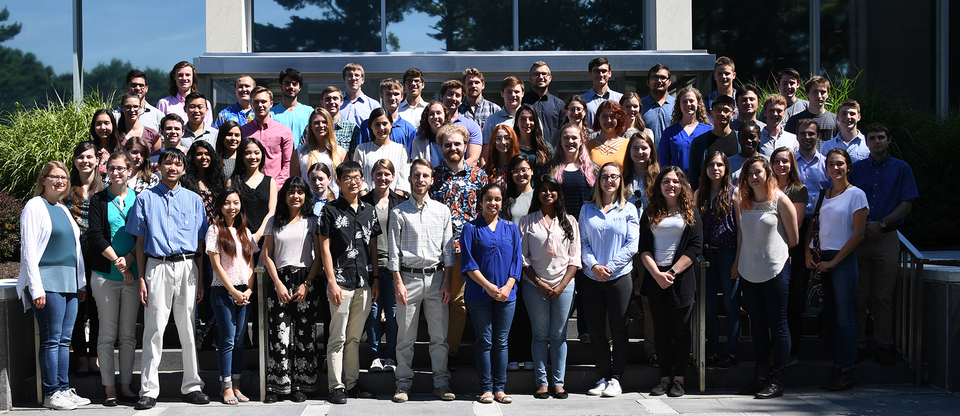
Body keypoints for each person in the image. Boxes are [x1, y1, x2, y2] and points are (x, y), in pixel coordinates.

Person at [126, 148, 210, 410]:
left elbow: (200, 243)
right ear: (158, 167)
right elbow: (139, 243)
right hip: (157, 266)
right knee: (154, 329)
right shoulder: (145, 199)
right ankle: (149, 390)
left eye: (177, 164)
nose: (172, 168)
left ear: (184, 169)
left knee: (188, 328)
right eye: (167, 163)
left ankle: (192, 385)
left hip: (187, 267)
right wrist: (141, 278)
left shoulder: (195, 200)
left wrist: (200, 278)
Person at [18, 161, 89, 410]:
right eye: (53, 177)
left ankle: (63, 387)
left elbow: (74, 249)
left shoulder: (62, 208)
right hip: (47, 281)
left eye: (63, 177)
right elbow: (28, 250)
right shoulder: (34, 206)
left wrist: (80, 284)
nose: (59, 181)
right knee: (52, 339)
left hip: (69, 282)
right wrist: (36, 288)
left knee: (64, 339)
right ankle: (51, 392)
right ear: (43, 180)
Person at [849, 122, 919, 365]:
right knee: (858, 294)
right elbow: (847, 199)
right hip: (859, 238)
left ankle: (883, 345)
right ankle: (856, 344)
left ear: (889, 140)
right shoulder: (855, 169)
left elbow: (907, 203)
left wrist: (882, 224)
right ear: (866, 142)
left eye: (881, 137)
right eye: (872, 138)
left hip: (887, 238)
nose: (876, 141)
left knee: (882, 296)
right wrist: (866, 225)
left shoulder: (902, 169)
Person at [388, 159, 457, 403]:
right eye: (416, 175)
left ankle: (441, 383)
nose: (420, 180)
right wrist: (397, 283)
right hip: (408, 279)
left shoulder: (442, 210)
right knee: (405, 338)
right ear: (409, 179)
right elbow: (393, 252)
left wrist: (448, 282)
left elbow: (448, 251)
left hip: (437, 279)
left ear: (431, 179)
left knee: (439, 337)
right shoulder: (398, 212)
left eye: (425, 176)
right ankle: (403, 385)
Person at [734, 155, 799, 399]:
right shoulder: (744, 200)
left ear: (768, 174)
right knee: (758, 327)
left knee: (778, 325)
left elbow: (793, 239)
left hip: (776, 269)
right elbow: (742, 235)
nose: (753, 177)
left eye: (758, 172)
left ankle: (777, 380)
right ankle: (760, 377)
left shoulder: (780, 200)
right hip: (749, 271)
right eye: (749, 173)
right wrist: (739, 263)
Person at [318, 161, 381, 405]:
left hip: (364, 281)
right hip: (340, 282)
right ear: (339, 181)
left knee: (355, 337)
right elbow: (324, 248)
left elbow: (373, 247)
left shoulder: (369, 210)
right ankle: (336, 386)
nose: (353, 181)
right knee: (337, 337)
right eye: (347, 178)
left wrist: (375, 278)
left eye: (357, 177)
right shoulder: (330, 210)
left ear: (362, 180)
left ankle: (352, 383)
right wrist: (331, 282)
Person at [805, 148, 867, 391]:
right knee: (829, 317)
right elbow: (813, 226)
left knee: (845, 317)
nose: (835, 168)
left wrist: (835, 262)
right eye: (831, 164)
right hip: (821, 259)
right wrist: (808, 253)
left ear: (848, 166)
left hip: (842, 260)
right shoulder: (823, 194)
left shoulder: (856, 195)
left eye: (840, 163)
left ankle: (846, 371)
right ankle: (837, 367)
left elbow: (859, 234)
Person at [640, 166, 702, 398]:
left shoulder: (690, 212)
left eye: (675, 181)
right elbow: (644, 248)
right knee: (662, 332)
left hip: (681, 278)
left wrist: (673, 273)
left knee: (681, 331)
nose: (671, 185)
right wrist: (657, 274)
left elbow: (695, 247)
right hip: (656, 277)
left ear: (682, 185)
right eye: (666, 181)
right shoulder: (650, 212)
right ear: (659, 185)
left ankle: (679, 380)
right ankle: (664, 379)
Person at [430, 124, 488, 369]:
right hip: (438, 248)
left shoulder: (479, 177)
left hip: (469, 248)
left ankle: (455, 353)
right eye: (447, 144)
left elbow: (487, 212)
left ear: (466, 146)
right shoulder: (433, 176)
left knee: (462, 302)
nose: (452, 148)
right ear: (441, 148)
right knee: (443, 301)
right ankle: (443, 352)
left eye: (457, 144)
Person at [580, 162, 639, 398]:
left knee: (619, 329)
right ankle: (604, 376)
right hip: (591, 277)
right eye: (605, 176)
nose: (609, 181)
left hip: (619, 277)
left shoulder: (629, 210)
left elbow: (632, 245)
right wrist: (594, 265)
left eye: (614, 176)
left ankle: (617, 378)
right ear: (598, 180)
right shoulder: (587, 209)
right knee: (596, 331)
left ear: (620, 180)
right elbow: (582, 242)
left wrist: (610, 267)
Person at [518, 174, 580, 399]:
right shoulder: (527, 221)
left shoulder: (570, 221)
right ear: (538, 193)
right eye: (543, 189)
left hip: (564, 285)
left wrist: (562, 286)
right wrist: (539, 283)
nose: (547, 193)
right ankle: (542, 382)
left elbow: (575, 259)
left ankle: (559, 383)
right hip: (535, 286)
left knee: (559, 335)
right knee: (540, 334)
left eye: (552, 189)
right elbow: (523, 259)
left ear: (558, 193)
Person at [461, 183, 522, 404]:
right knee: (484, 342)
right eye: (488, 199)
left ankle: (500, 388)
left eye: (497, 199)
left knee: (502, 342)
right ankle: (486, 388)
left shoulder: (511, 228)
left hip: (507, 295)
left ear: (502, 202)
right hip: (479, 295)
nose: (492, 203)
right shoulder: (470, 228)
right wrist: (487, 286)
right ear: (480, 201)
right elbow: (468, 263)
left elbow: (517, 260)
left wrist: (507, 286)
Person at [87, 153, 140, 406]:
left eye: (122, 168)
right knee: (107, 334)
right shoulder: (98, 199)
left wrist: (128, 259)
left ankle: (126, 386)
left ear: (130, 171)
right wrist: (118, 262)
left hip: (132, 274)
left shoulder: (138, 199)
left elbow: (143, 234)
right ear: (106, 170)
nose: (116, 172)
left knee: (128, 336)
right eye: (112, 168)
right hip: (105, 275)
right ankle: (109, 388)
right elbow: (95, 235)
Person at [262, 176, 322, 402]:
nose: (295, 196)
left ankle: (301, 385)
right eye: (291, 192)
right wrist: (277, 283)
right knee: (279, 333)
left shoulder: (312, 221)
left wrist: (307, 283)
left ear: (306, 195)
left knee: (304, 335)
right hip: (279, 278)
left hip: (305, 278)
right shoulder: (273, 221)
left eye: (300, 192)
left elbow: (317, 257)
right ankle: (278, 386)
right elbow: (267, 254)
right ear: (284, 195)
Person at [544, 123, 597, 344]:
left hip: (584, 231)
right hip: (559, 230)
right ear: (560, 141)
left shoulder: (592, 168)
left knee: (585, 284)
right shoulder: (551, 168)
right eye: (566, 138)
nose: (570, 142)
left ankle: (585, 330)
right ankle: (556, 332)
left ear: (581, 139)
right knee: (558, 280)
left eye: (574, 138)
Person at [206, 188, 258, 405]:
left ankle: (237, 385)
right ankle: (225, 386)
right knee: (227, 340)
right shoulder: (214, 230)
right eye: (227, 203)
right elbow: (216, 266)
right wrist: (233, 291)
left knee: (238, 341)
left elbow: (251, 266)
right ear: (220, 206)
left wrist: (248, 290)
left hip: (243, 293)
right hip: (222, 292)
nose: (232, 207)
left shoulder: (245, 232)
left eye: (235, 203)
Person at [360, 160, 408, 373]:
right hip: (370, 265)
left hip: (394, 264)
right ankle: (376, 355)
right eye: (379, 174)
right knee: (372, 312)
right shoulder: (362, 202)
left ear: (393, 176)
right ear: (372, 175)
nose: (383, 178)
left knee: (393, 312)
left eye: (387, 174)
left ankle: (390, 356)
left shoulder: (400, 202)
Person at [693, 152, 739, 370]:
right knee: (709, 307)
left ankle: (730, 353)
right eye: (711, 164)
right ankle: (711, 352)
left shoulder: (735, 193)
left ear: (726, 168)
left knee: (730, 305)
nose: (715, 168)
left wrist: (738, 260)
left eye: (720, 164)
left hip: (728, 253)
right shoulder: (698, 194)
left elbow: (741, 229)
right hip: (705, 256)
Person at [65, 142, 103, 380]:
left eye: (89, 157)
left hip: (99, 258)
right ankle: (80, 359)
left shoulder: (104, 189)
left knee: (99, 310)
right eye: (80, 157)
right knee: (78, 311)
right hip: (73, 259)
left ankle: (95, 358)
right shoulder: (66, 190)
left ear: (97, 160)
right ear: (75, 161)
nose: (85, 161)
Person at [770, 147, 810, 366]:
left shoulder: (798, 190)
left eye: (785, 161)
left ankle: (792, 352)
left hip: (791, 251)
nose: (781, 165)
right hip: (768, 251)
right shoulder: (766, 187)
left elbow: (797, 224)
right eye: (777, 161)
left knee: (791, 303)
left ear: (791, 164)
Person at [501, 155, 535, 372]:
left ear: (531, 171)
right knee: (513, 310)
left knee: (531, 310)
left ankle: (530, 354)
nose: (520, 174)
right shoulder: (506, 198)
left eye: (524, 169)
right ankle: (514, 354)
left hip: (534, 261)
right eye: (515, 171)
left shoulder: (539, 196)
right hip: (511, 262)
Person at [241, 86, 295, 188]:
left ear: (271, 104)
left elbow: (288, 164)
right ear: (251, 104)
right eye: (256, 102)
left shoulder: (284, 131)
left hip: (276, 189)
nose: (260, 105)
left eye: (263, 102)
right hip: (248, 188)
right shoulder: (243, 131)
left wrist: (275, 186)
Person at [228, 138, 278, 246]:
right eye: (248, 153)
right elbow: (228, 212)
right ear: (241, 156)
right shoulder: (232, 182)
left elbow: (272, 212)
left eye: (256, 153)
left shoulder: (270, 182)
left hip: (266, 239)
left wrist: (258, 235)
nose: (253, 157)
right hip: (238, 239)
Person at [353, 108, 411, 194]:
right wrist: (367, 203)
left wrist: (394, 203)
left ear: (391, 124)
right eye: (377, 124)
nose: (381, 128)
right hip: (367, 202)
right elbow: (357, 177)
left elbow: (403, 181)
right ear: (371, 126)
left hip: (396, 203)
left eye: (385, 124)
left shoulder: (402, 150)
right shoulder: (361, 149)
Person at [291, 108, 346, 197]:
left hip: (334, 204)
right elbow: (294, 182)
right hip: (307, 203)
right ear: (311, 126)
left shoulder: (340, 152)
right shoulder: (299, 152)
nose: (321, 125)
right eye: (316, 122)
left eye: (324, 122)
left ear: (330, 125)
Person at [688, 95, 739, 190]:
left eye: (726, 110)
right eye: (718, 110)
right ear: (711, 113)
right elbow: (693, 176)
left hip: (735, 196)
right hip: (707, 196)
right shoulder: (698, 142)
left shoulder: (740, 139)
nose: (722, 114)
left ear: (733, 114)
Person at [658, 87, 711, 172]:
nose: (688, 104)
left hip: (702, 183)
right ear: (679, 105)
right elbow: (664, 163)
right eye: (684, 101)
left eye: (691, 101)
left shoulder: (709, 131)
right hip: (677, 182)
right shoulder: (669, 133)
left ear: (698, 103)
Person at [358, 78, 418, 150]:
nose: (392, 98)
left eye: (396, 94)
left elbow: (411, 159)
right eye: (388, 94)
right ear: (382, 96)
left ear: (402, 97)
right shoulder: (367, 125)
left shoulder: (409, 129)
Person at [785, 75, 838, 147]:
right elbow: (788, 146)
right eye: (815, 92)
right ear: (807, 93)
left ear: (828, 94)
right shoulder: (795, 120)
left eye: (823, 92)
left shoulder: (835, 120)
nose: (819, 96)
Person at [440, 79, 484, 166]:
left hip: (462, 177)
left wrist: (453, 174)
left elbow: (473, 159)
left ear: (461, 100)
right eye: (450, 94)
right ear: (442, 96)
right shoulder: (434, 124)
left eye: (457, 95)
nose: (453, 98)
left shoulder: (472, 126)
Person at [157, 61, 213, 126]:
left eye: (187, 75)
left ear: (193, 77)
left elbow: (209, 129)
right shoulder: (164, 104)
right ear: (174, 77)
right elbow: (159, 131)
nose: (184, 78)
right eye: (180, 75)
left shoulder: (204, 104)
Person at [481, 76, 524, 161]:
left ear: (523, 93)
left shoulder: (531, 120)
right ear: (502, 94)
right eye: (509, 92)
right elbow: (485, 154)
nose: (513, 95)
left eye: (516, 92)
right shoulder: (491, 121)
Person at [523, 61, 565, 141]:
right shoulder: (522, 102)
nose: (541, 77)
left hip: (552, 151)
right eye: (536, 74)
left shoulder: (559, 104)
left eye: (544, 74)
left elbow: (563, 131)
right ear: (530, 79)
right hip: (527, 151)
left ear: (550, 78)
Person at [270, 68, 314, 145]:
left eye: (294, 84)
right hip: (280, 156)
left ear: (300, 88)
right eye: (287, 83)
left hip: (304, 155)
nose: (291, 87)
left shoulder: (309, 112)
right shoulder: (271, 113)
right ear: (280, 86)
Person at [820, 99, 870, 163]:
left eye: (852, 114)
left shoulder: (868, 144)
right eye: (844, 113)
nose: (848, 117)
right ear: (837, 117)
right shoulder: (827, 146)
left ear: (859, 117)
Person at [586, 100, 629, 171]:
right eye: (604, 116)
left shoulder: (628, 145)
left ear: (618, 119)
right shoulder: (587, 146)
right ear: (598, 118)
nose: (609, 120)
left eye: (613, 116)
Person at [513, 104, 554, 178]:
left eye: (531, 119)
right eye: (523, 119)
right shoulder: (510, 146)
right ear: (516, 123)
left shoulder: (546, 147)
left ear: (535, 123)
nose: (527, 122)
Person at [582, 57, 623, 127]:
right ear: (590, 74)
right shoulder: (582, 101)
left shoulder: (620, 99)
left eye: (604, 71)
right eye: (596, 71)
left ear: (610, 73)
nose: (600, 75)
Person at [321, 86, 362, 156]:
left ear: (341, 102)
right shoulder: (314, 127)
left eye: (335, 98)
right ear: (322, 103)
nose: (331, 102)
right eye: (328, 99)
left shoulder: (352, 129)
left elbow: (354, 158)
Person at [641, 63, 676, 145]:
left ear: (669, 82)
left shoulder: (678, 105)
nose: (659, 81)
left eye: (663, 77)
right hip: (647, 156)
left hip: (673, 156)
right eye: (654, 78)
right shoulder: (640, 106)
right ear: (648, 82)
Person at [340, 62, 381, 128]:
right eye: (350, 75)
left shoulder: (373, 105)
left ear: (362, 80)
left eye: (357, 75)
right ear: (344, 80)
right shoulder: (336, 104)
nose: (353, 78)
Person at [410, 101, 448, 167]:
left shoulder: (452, 139)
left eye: (439, 113)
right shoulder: (418, 142)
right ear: (426, 117)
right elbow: (418, 168)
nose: (435, 117)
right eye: (431, 114)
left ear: (445, 115)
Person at [89, 110, 122, 176]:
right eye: (98, 124)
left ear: (113, 125)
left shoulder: (122, 150)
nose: (103, 127)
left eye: (106, 123)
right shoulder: (87, 150)